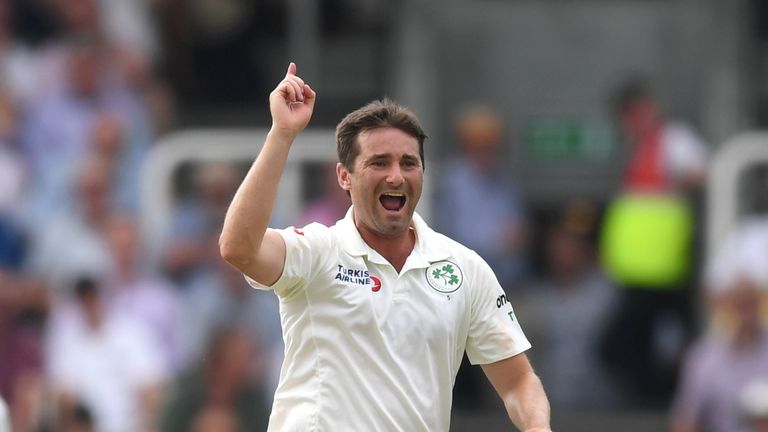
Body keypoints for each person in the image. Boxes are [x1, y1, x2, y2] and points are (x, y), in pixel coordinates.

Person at [219, 63, 550, 431]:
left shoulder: (463, 268)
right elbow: (239, 248)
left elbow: (518, 381)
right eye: (379, 162)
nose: (396, 175)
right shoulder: (317, 251)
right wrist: (281, 134)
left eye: (409, 163)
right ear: (345, 176)